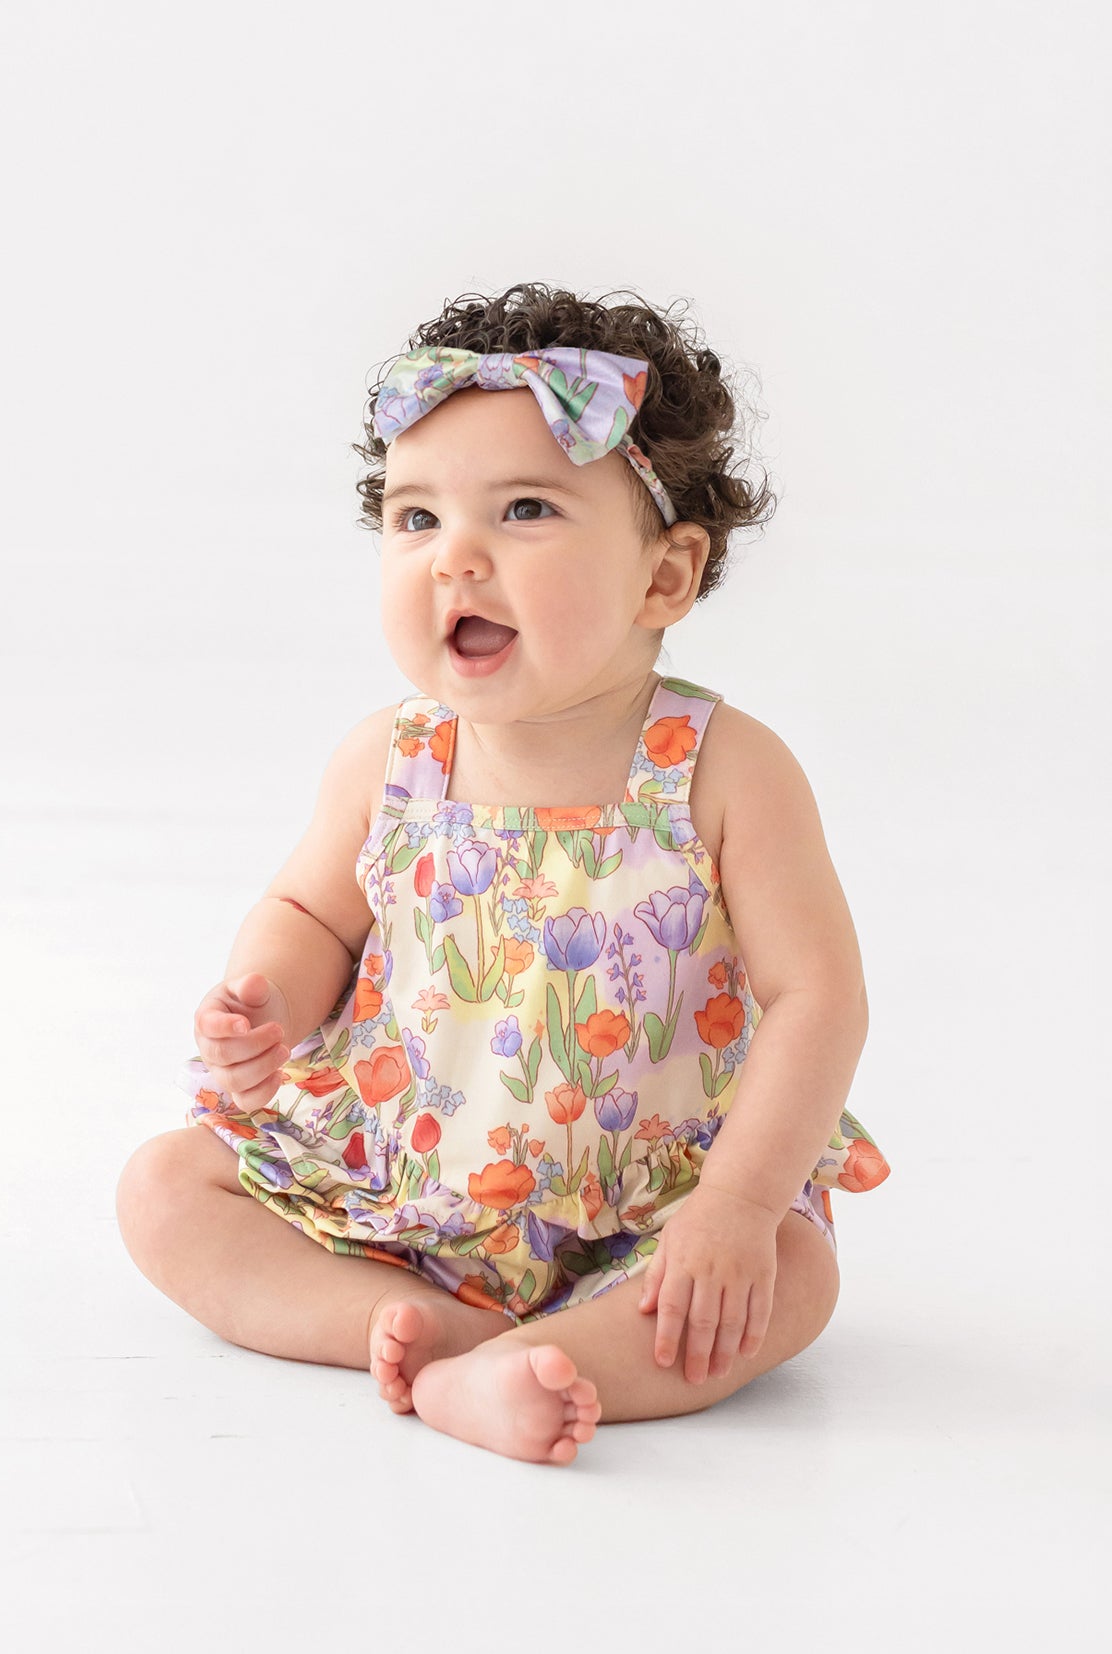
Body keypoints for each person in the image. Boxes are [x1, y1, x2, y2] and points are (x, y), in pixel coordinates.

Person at [116, 280, 892, 1466]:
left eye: (524, 510)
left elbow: (816, 998)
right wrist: (264, 1002)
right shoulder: (392, 757)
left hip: (649, 1201)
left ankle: (541, 1365)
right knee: (166, 1191)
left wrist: (734, 1209)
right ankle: (414, 1327)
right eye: (416, 519)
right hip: (399, 1180)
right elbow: (307, 912)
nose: (454, 560)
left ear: (664, 579)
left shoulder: (724, 770)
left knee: (788, 1279)